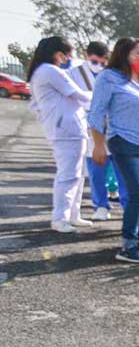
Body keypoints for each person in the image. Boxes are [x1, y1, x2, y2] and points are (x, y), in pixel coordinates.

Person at [88, 37, 139, 264]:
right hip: (125, 143)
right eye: (138, 54)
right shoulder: (109, 78)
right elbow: (96, 113)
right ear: (124, 55)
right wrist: (98, 145)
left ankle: (138, 239)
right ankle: (128, 245)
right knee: (138, 194)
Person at [27, 36, 93, 233]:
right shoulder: (50, 71)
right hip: (66, 129)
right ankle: (60, 218)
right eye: (68, 54)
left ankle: (73, 214)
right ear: (58, 54)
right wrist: (99, 94)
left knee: (78, 174)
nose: (69, 58)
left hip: (71, 127)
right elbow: (78, 95)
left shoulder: (43, 72)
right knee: (69, 175)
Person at [71, 40, 127, 220]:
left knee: (123, 171)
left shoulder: (113, 74)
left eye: (103, 62)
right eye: (94, 62)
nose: (99, 66)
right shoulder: (74, 74)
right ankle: (101, 205)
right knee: (97, 170)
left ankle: (127, 205)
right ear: (86, 56)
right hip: (89, 128)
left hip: (113, 127)